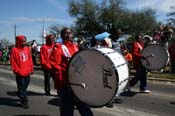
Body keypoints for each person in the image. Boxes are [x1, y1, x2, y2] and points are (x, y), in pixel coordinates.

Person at [50, 28, 93, 116]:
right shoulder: (58, 47)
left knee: (84, 107)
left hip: (78, 82)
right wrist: (63, 81)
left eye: (69, 33)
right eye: (65, 33)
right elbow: (55, 65)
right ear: (62, 36)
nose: (68, 34)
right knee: (67, 110)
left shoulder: (75, 46)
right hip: (66, 84)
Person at [10, 35, 33, 109]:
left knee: (24, 87)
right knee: (22, 87)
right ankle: (24, 102)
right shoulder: (14, 50)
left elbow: (30, 59)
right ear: (19, 41)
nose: (25, 42)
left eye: (25, 41)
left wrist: (31, 68)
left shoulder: (27, 49)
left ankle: (21, 93)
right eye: (23, 41)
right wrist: (16, 70)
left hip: (27, 72)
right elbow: (13, 61)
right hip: (20, 73)